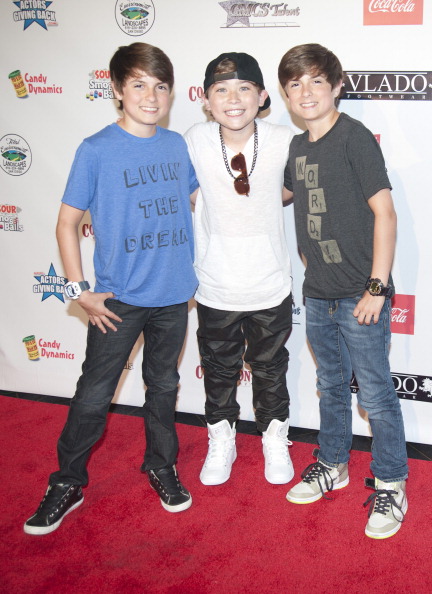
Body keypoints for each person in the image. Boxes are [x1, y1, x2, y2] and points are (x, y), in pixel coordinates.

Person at [24, 42, 198, 535]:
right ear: (118, 90)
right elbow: (66, 223)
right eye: (139, 84)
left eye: (160, 86)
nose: (151, 95)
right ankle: (67, 482)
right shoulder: (96, 149)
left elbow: (182, 202)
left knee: (163, 386)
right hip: (117, 300)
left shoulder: (176, 145)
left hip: (173, 296)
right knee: (94, 394)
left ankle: (161, 466)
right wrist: (79, 289)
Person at [278, 43, 408, 539]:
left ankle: (392, 483)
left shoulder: (354, 139)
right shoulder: (296, 146)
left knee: (375, 395)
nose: (306, 92)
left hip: (361, 295)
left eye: (315, 81)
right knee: (331, 386)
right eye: (295, 84)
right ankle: (333, 463)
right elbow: (283, 192)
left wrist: (376, 287)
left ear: (336, 86)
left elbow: (385, 214)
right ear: (286, 95)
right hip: (318, 294)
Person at [184, 52, 295, 487]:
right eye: (221, 90)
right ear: (206, 100)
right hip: (214, 285)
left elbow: (288, 190)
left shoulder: (284, 139)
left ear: (263, 95)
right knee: (218, 369)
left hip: (269, 282)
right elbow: (187, 192)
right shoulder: (193, 139)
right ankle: (222, 440)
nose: (234, 99)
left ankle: (273, 439)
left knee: (271, 369)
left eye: (244, 88)